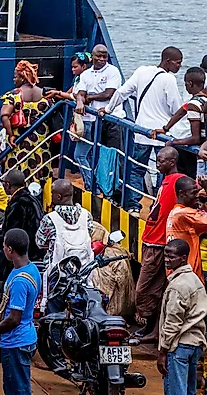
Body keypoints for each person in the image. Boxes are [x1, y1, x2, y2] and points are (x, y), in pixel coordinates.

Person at [111, 47, 186, 202]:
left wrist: (106, 109)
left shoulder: (142, 71)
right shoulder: (169, 79)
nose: (179, 66)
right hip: (162, 133)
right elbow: (175, 108)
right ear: (168, 61)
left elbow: (121, 92)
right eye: (177, 63)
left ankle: (133, 204)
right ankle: (159, 201)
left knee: (136, 169)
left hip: (142, 131)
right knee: (164, 171)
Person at [135, 147, 188, 342]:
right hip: (151, 239)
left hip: (159, 243)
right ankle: (152, 329)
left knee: (146, 289)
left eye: (161, 160)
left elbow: (193, 192)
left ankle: (153, 327)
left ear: (172, 161)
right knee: (156, 289)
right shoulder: (164, 181)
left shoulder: (177, 180)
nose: (157, 164)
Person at [0, 228, 41, 395]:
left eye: (5, 246)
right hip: (26, 336)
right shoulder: (32, 269)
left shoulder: (20, 281)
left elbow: (14, 319)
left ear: (10, 250)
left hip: (15, 342)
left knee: (17, 389)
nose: (3, 249)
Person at [158, 238, 207, 395]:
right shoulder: (195, 280)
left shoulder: (177, 286)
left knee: (176, 391)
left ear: (183, 258)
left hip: (179, 346)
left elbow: (173, 323)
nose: (166, 260)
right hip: (195, 345)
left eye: (171, 256)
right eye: (165, 255)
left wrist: (163, 352)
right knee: (189, 390)